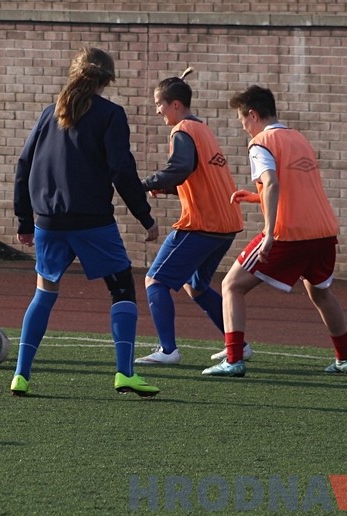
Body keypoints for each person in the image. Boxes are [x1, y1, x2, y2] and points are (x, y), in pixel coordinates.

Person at [11, 47, 160, 397]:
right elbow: (121, 170)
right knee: (121, 288)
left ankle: (20, 375)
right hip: (92, 222)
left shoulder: (50, 113)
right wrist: (145, 216)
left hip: (48, 223)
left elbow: (23, 165)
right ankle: (125, 373)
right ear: (107, 80)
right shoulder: (111, 114)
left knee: (44, 293)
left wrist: (25, 221)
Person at [203, 85, 347, 377]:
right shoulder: (299, 138)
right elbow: (294, 186)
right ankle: (345, 358)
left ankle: (234, 360)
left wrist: (270, 233)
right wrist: (255, 197)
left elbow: (273, 182)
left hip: (289, 233)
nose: (243, 127)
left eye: (242, 120)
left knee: (231, 285)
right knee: (321, 293)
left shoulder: (261, 142)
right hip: (323, 231)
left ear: (253, 114)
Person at [134, 68, 247, 366]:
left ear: (175, 104)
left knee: (155, 280)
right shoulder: (203, 130)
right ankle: (239, 346)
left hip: (203, 224)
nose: (157, 111)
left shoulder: (182, 130)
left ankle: (167, 350)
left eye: (159, 104)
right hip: (226, 225)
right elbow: (197, 177)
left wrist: (144, 184)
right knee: (195, 286)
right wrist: (167, 187)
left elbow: (181, 167)